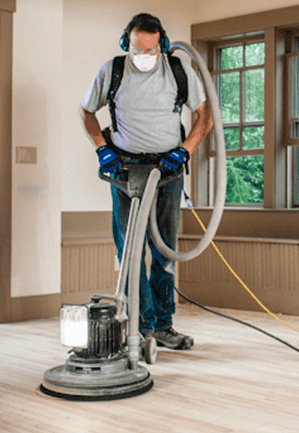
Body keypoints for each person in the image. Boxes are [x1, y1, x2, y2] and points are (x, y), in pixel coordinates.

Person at [81, 13, 212, 350]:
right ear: (126, 44)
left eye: (150, 51)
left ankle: (163, 325)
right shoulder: (113, 71)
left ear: (162, 45)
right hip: (124, 171)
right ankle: (140, 327)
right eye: (137, 50)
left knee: (164, 249)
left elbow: (205, 117)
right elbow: (87, 112)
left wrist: (184, 151)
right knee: (129, 250)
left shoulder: (178, 71)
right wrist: (102, 149)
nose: (143, 57)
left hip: (168, 169)